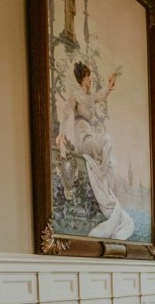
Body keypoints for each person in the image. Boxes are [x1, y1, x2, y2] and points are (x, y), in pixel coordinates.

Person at [55, 61, 135, 240]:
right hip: (81, 132)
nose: (91, 80)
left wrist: (109, 86)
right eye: (89, 77)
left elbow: (100, 96)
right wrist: (61, 135)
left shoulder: (90, 96)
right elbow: (67, 113)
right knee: (92, 145)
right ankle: (99, 173)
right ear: (83, 78)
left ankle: (103, 176)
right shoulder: (75, 95)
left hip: (90, 130)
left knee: (107, 139)